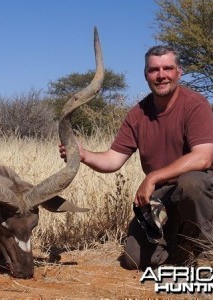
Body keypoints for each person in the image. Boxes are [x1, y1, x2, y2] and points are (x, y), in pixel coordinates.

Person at [59, 45, 213, 270]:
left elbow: (204, 158)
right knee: (134, 259)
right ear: (145, 74)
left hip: (200, 189)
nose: (161, 75)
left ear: (179, 72)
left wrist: (151, 178)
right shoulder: (137, 114)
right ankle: (182, 242)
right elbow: (113, 159)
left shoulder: (195, 104)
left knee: (190, 183)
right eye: (154, 70)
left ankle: (207, 250)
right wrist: (84, 155)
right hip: (162, 196)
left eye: (167, 68)